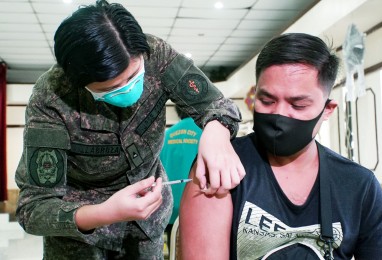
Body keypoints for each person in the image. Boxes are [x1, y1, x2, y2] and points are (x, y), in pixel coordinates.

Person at [14, 1, 245, 259]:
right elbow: (33, 208)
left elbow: (217, 105)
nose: (128, 90)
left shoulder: (156, 56)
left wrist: (216, 132)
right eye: (111, 88)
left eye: (134, 76)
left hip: (147, 230)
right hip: (78, 242)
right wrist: (106, 212)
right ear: (79, 82)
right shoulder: (52, 97)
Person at [180, 33, 382, 260]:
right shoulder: (222, 167)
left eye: (298, 104)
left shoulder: (358, 187)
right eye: (267, 101)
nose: (280, 114)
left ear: (327, 110)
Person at [160, 105, 202, 226]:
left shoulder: (167, 135)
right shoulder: (205, 135)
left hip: (168, 208)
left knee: (171, 244)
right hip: (195, 208)